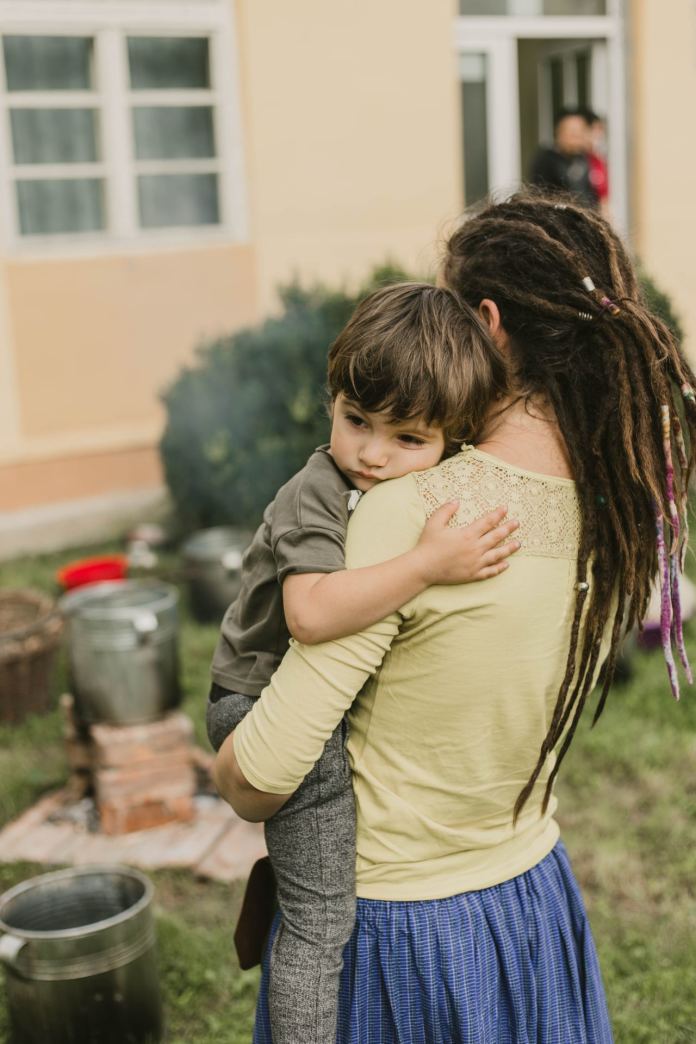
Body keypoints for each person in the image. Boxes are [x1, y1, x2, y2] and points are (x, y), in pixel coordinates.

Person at [214, 194, 696, 1043]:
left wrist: (223, 755)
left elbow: (260, 775)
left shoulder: (418, 515)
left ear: (487, 324)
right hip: (531, 901)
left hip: (398, 935)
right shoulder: (612, 506)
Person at [207, 282, 520, 1044]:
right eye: (356, 421)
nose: (373, 455)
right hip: (259, 700)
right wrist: (427, 565)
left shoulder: (416, 477)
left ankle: (283, 879)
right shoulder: (315, 494)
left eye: (407, 438)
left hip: (312, 699)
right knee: (323, 917)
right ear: (332, 403)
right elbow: (310, 615)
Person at [530, 107, 599, 208]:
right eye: (572, 133)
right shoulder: (546, 161)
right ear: (558, 132)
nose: (577, 137)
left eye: (580, 132)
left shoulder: (584, 160)